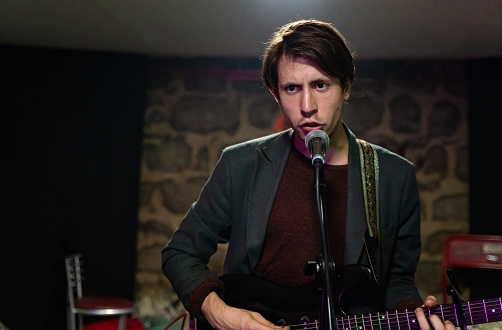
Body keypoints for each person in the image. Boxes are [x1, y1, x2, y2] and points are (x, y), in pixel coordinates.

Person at [162, 19, 455, 330]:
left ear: (346, 86)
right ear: (276, 94)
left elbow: (396, 278)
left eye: (320, 85)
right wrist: (219, 313)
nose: (307, 106)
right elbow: (180, 252)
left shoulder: (394, 177)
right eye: (292, 88)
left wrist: (413, 315)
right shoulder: (241, 164)